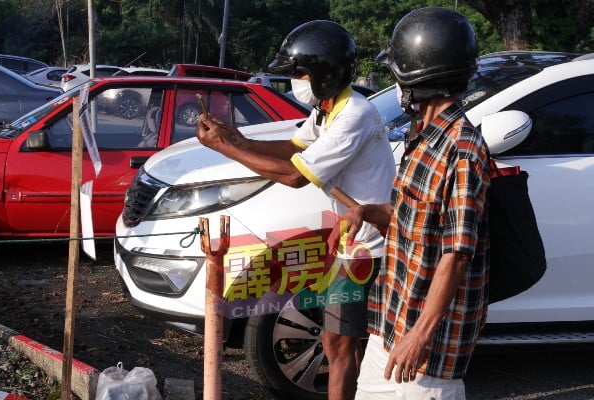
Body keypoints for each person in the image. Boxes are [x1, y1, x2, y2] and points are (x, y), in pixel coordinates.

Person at [197, 20, 396, 400]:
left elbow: (293, 175)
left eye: (299, 72)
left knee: (337, 344)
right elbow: (293, 148)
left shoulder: (353, 114)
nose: (294, 80)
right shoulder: (329, 110)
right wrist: (237, 138)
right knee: (343, 343)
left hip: (366, 247)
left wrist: (227, 148)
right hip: (353, 239)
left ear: (323, 73)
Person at [331, 7, 490, 400]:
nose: (396, 86)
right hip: (387, 332)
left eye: (399, 76)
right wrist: (366, 212)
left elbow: (456, 254)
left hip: (425, 365)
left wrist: (419, 336)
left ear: (422, 78)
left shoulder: (463, 149)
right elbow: (410, 218)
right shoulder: (422, 139)